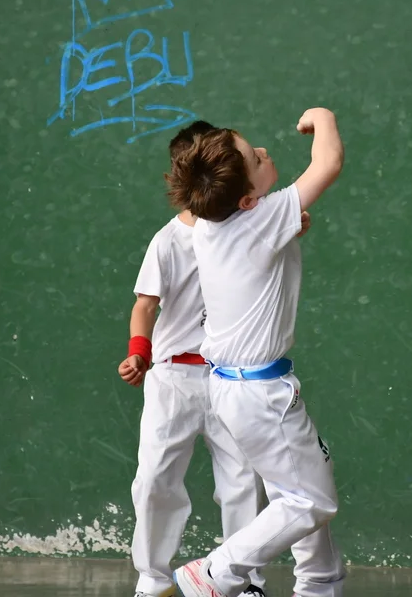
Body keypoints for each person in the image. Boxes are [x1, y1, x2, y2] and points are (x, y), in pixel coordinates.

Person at [166, 108, 346, 597]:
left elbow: (257, 249)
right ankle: (217, 572)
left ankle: (320, 585)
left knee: (300, 484)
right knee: (310, 501)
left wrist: (284, 229)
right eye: (255, 158)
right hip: (262, 395)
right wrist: (323, 117)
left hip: (234, 389)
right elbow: (327, 163)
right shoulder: (262, 218)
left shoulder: (210, 223)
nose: (263, 152)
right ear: (246, 200)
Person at [120, 120, 292, 597]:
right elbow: (145, 305)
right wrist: (139, 351)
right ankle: (152, 581)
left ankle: (244, 582)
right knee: (154, 478)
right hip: (173, 378)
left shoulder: (246, 225)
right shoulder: (167, 241)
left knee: (242, 481)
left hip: (228, 377)